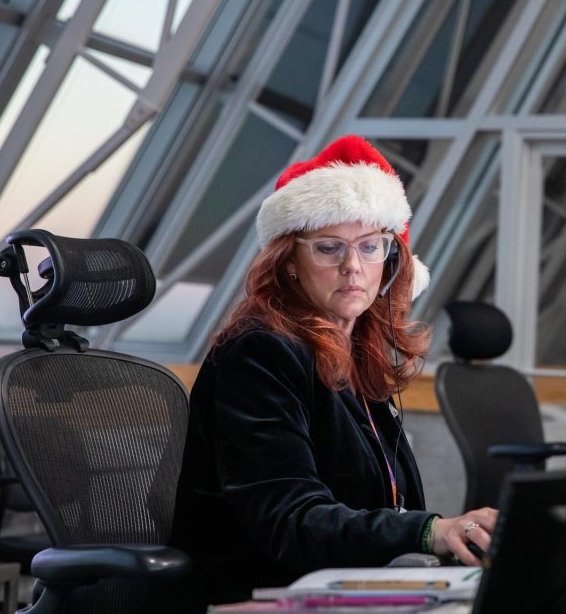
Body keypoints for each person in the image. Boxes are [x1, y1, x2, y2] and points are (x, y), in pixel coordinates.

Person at [169, 135, 497, 609]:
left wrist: (447, 538)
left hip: (347, 588)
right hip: (256, 597)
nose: (353, 267)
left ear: (390, 258)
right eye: (328, 248)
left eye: (370, 247)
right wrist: (430, 532)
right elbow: (292, 520)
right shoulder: (259, 353)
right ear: (290, 263)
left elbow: (390, 506)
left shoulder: (359, 357)